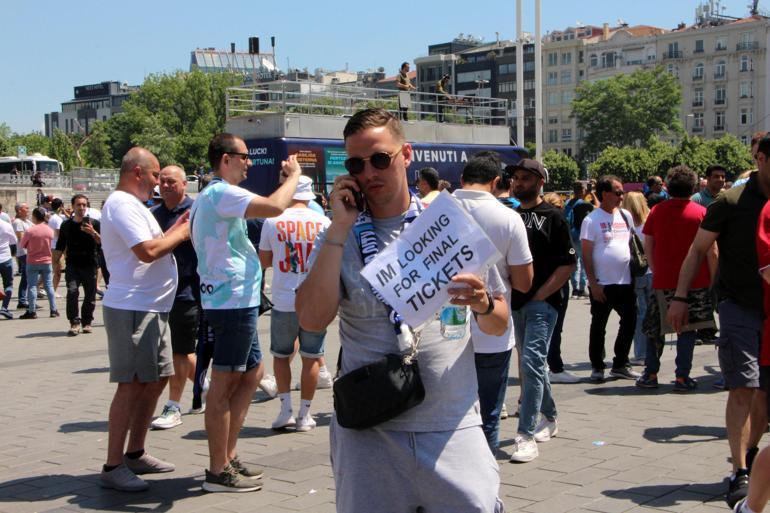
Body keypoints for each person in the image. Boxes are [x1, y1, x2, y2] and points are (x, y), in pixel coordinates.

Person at [296, 108, 510, 513]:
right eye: (355, 164)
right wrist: (338, 230)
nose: (368, 173)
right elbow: (310, 319)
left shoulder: (448, 225)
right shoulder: (340, 237)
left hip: (450, 424)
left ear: (406, 154)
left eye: (380, 159)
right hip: (370, 431)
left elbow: (499, 324)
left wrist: (482, 303)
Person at [191, 133, 301, 493]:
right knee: (224, 384)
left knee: (253, 373)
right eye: (243, 156)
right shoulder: (221, 192)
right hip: (231, 300)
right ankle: (217, 470)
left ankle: (228, 455)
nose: (249, 162)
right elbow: (274, 208)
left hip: (237, 299)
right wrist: (294, 178)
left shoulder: (213, 195)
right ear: (225, 159)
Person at [668, 137, 770, 508]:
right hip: (738, 305)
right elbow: (697, 250)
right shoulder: (730, 202)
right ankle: (740, 471)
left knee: (764, 394)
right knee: (743, 386)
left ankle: (753, 455)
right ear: (760, 158)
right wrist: (680, 299)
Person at [99, 147, 190, 492]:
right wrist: (182, 233)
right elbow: (148, 251)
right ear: (138, 172)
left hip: (153, 307)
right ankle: (112, 464)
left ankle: (135, 452)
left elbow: (154, 245)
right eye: (154, 175)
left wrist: (176, 229)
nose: (157, 182)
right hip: (133, 307)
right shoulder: (122, 204)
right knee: (132, 383)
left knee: (157, 379)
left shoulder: (133, 206)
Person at [453, 153, 533, 454]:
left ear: (462, 180)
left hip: (443, 336)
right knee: (487, 417)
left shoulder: (434, 213)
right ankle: (484, 485)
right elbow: (524, 283)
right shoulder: (508, 218)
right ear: (497, 182)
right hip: (492, 332)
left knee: (449, 418)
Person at [509, 159, 576, 463]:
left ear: (540, 182)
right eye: (516, 178)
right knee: (532, 364)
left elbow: (567, 263)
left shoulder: (554, 217)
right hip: (516, 302)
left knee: (532, 361)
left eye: (525, 178)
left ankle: (525, 434)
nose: (519, 183)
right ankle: (550, 416)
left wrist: (541, 294)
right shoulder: (510, 216)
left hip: (543, 304)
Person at [259, 175, 331, 432]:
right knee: (312, 357)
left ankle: (285, 410)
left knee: (281, 356)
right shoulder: (323, 221)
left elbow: (264, 261)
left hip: (283, 298)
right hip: (314, 300)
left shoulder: (272, 221)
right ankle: (305, 414)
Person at [637, 166, 716, 391]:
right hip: (696, 281)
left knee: (656, 330)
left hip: (663, 281)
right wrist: (712, 281)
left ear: (668, 187)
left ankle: (650, 373)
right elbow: (713, 251)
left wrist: (656, 269)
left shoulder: (657, 212)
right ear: (692, 187)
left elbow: (648, 245)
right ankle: (682, 377)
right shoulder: (701, 213)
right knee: (687, 329)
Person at [149, 166, 200, 430]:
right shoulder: (152, 215)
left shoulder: (196, 213)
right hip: (157, 293)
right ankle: (206, 388)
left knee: (179, 351)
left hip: (188, 292)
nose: (165, 185)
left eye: (171, 181)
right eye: (162, 181)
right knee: (179, 352)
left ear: (184, 184)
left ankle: (174, 406)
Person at [581, 175, 640, 383]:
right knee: (599, 326)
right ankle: (597, 367)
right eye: (617, 192)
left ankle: (620, 363)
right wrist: (593, 283)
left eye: (622, 192)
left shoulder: (625, 216)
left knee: (630, 321)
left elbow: (631, 245)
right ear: (605, 194)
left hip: (625, 281)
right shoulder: (591, 220)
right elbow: (586, 255)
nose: (621, 196)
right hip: (602, 284)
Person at [541, 192, 581, 385]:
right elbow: (570, 258)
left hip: (539, 284)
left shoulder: (536, 223)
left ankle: (547, 365)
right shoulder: (560, 225)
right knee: (555, 328)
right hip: (556, 284)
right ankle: (554, 366)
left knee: (543, 329)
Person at [53, 194, 101, 336]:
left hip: (90, 264)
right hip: (72, 265)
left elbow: (102, 242)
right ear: (73, 206)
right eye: (78, 205)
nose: (81, 208)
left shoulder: (95, 223)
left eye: (84, 205)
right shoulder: (66, 225)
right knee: (72, 292)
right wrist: (55, 261)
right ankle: (74, 322)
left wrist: (93, 233)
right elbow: (61, 244)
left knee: (90, 295)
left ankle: (87, 322)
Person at [622, 191, 650, 365]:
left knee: (639, 314)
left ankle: (640, 353)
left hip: (635, 273)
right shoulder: (649, 222)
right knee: (651, 312)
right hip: (652, 272)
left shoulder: (626, 225)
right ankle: (652, 350)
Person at [19, 207, 57, 319]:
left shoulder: (30, 230)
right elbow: (52, 243)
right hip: (47, 260)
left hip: (33, 261)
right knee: (49, 286)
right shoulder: (49, 230)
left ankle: (32, 311)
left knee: (32, 286)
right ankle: (53, 309)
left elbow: (22, 245)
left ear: (35, 217)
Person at [564, 182, 593, 298]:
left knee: (574, 262)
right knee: (583, 261)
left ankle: (574, 288)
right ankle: (582, 288)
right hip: (581, 237)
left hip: (570, 238)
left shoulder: (568, 203)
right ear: (582, 191)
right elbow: (596, 207)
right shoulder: (584, 205)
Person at [12, 203, 32, 310]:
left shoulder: (27, 222)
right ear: (19, 210)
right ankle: (24, 300)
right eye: (26, 208)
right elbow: (21, 238)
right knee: (28, 277)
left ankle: (24, 300)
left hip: (30, 252)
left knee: (27, 277)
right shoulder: (17, 222)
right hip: (24, 253)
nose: (28, 210)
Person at [48, 198, 67, 295]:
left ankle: (45, 288)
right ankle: (52, 291)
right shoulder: (57, 219)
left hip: (55, 246)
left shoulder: (55, 217)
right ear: (60, 206)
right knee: (57, 271)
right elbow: (58, 234)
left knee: (54, 270)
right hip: (56, 247)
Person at [0, 218, 17, 319]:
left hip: (6, 257)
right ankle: (4, 308)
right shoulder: (6, 225)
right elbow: (13, 241)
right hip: (5, 258)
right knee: (8, 285)